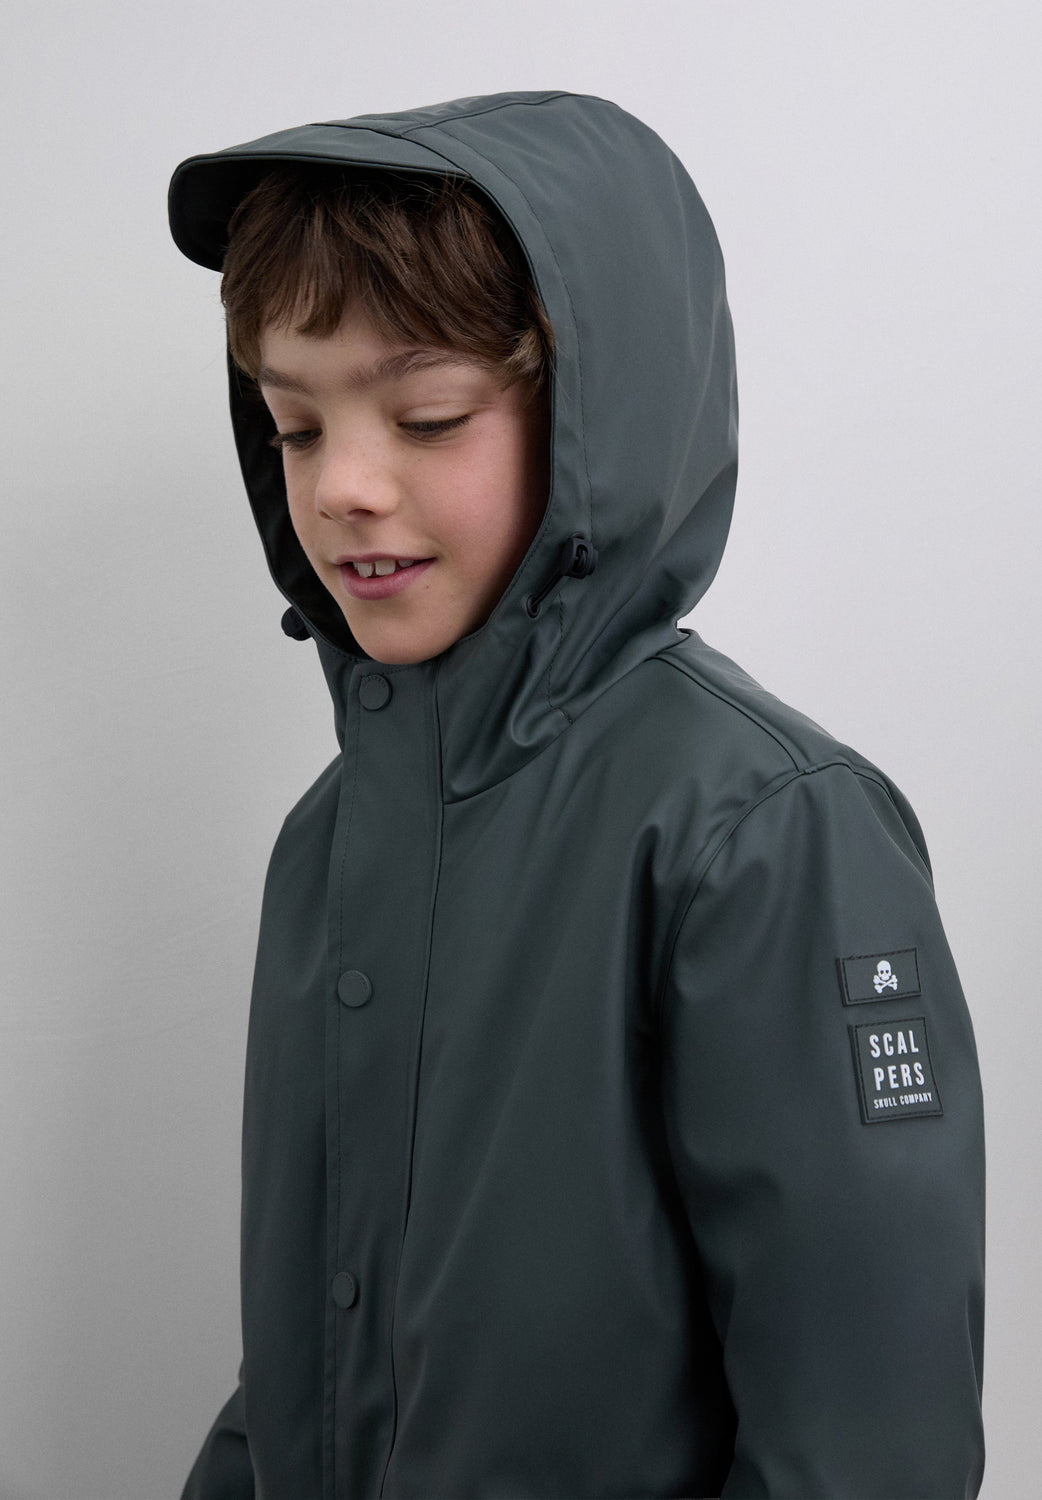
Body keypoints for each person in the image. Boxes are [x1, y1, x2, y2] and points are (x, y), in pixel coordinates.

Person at [167, 91, 985, 1499]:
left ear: (595, 419)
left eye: (427, 416)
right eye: (296, 427)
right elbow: (315, 1356)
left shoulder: (758, 831)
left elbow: (865, 1443)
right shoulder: (331, 840)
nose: (345, 484)